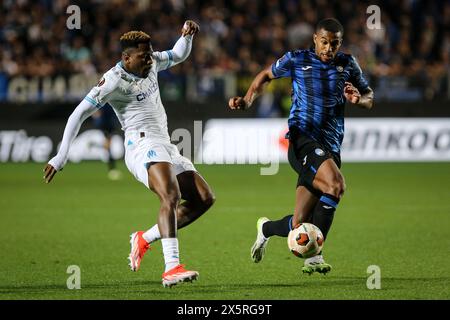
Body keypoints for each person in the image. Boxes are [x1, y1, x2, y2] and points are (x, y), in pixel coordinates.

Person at [43, 21, 216, 287]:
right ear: (126, 58)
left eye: (150, 53)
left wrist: (186, 36)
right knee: (171, 196)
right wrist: (61, 155)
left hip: (165, 144)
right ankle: (171, 268)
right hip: (141, 145)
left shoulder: (153, 62)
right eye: (143, 56)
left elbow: (178, 54)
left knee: (204, 198)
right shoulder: (113, 81)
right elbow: (78, 114)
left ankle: (144, 239)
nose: (150, 59)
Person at [229, 18, 374, 275]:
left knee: (299, 223)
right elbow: (265, 75)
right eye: (325, 42)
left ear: (340, 43)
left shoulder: (347, 63)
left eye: (335, 43)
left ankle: (266, 229)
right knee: (336, 185)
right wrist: (247, 99)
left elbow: (369, 98)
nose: (329, 48)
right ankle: (315, 256)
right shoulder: (297, 59)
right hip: (302, 139)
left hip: (330, 146)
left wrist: (357, 99)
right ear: (315, 40)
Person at [91, 105, 122, 180]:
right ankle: (112, 168)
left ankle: (112, 168)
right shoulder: (105, 102)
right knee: (108, 145)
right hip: (105, 123)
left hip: (108, 122)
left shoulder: (106, 102)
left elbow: (95, 113)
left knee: (108, 145)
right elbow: (96, 112)